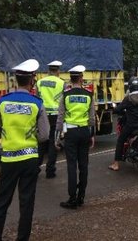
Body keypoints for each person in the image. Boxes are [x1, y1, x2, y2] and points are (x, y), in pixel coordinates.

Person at [0, 59, 50, 241]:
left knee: (1, 202)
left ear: (15, 79)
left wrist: (9, 136)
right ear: (32, 80)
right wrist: (30, 137)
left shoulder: (3, 102)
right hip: (29, 159)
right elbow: (45, 135)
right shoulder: (36, 103)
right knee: (26, 202)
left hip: (8, 160)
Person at [56, 65, 96, 209]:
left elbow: (60, 118)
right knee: (83, 165)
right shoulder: (88, 95)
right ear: (81, 78)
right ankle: (81, 197)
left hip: (70, 133)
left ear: (70, 79)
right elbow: (92, 118)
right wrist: (92, 135)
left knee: (71, 166)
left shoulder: (65, 95)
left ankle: (72, 198)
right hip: (85, 132)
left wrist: (57, 138)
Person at [108, 77, 138, 171]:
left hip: (131, 126)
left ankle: (116, 164)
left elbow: (119, 109)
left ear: (130, 87)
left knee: (120, 140)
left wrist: (113, 110)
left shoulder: (128, 98)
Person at [35, 60, 65, 179]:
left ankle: (35, 169)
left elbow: (37, 99)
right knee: (53, 143)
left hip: (42, 115)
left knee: (41, 142)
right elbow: (63, 102)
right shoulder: (62, 83)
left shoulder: (39, 82)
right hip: (55, 116)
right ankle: (50, 171)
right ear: (58, 71)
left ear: (48, 71)